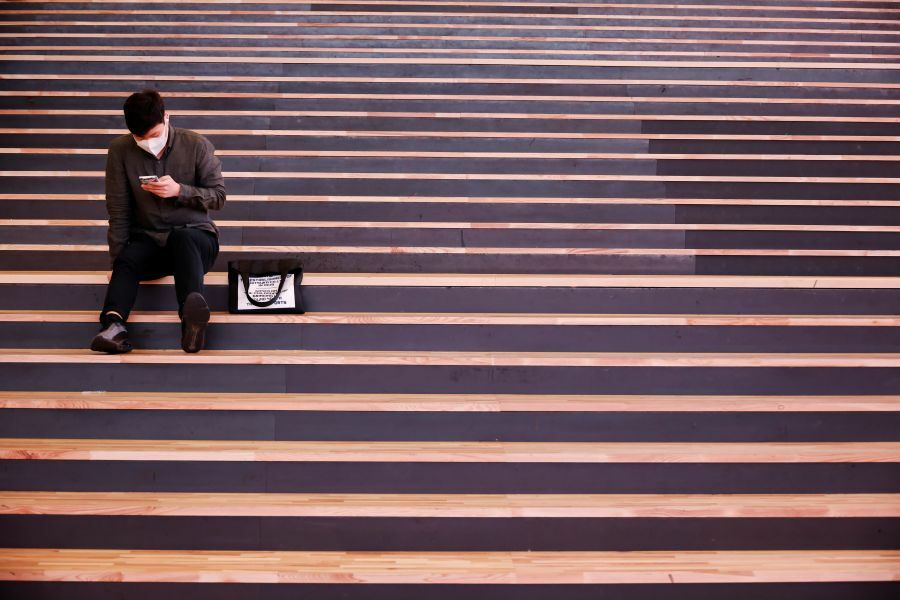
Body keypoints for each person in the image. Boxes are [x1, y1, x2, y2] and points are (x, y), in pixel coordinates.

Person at [90, 90, 225, 354]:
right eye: (140, 138)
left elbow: (219, 197)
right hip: (150, 240)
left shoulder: (196, 145)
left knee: (183, 238)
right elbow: (118, 211)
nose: (148, 143)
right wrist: (118, 265)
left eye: (153, 136)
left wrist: (180, 191)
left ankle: (191, 321)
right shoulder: (120, 151)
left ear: (166, 117)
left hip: (196, 242)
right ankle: (113, 327)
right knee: (128, 257)